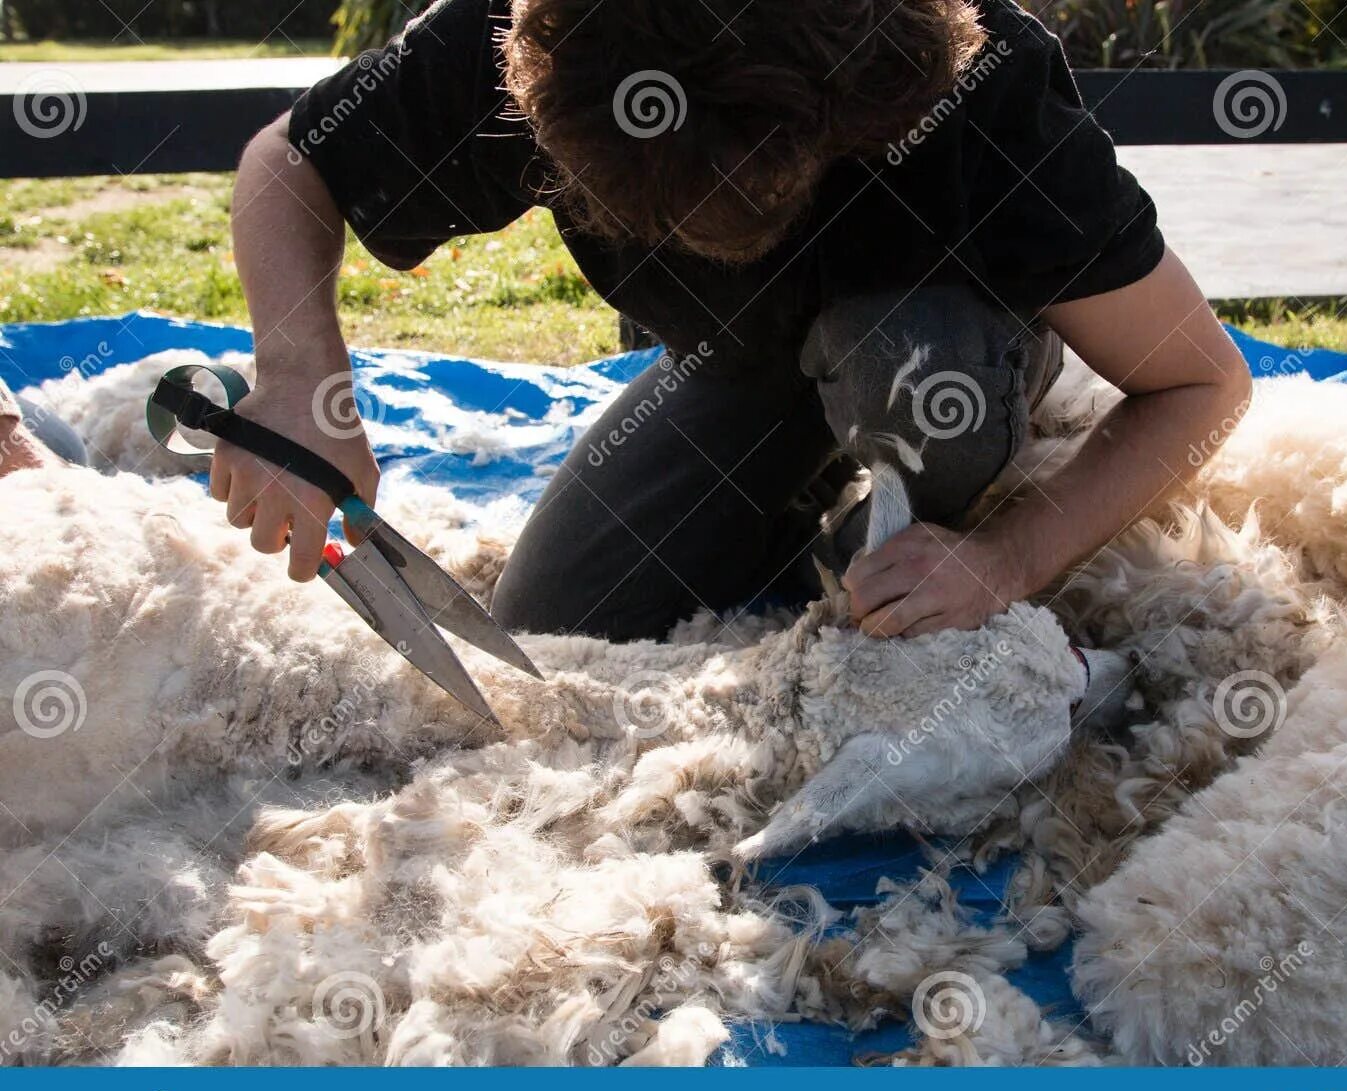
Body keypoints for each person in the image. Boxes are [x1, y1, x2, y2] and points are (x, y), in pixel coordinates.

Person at [217, 0, 1250, 642]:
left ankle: (927, 511)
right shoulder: (538, 31)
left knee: (904, 367)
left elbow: (1203, 383)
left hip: (938, 341)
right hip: (742, 360)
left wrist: (1008, 561)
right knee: (563, 624)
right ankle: (805, 513)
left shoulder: (984, 95)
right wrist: (302, 375)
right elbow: (290, 158)